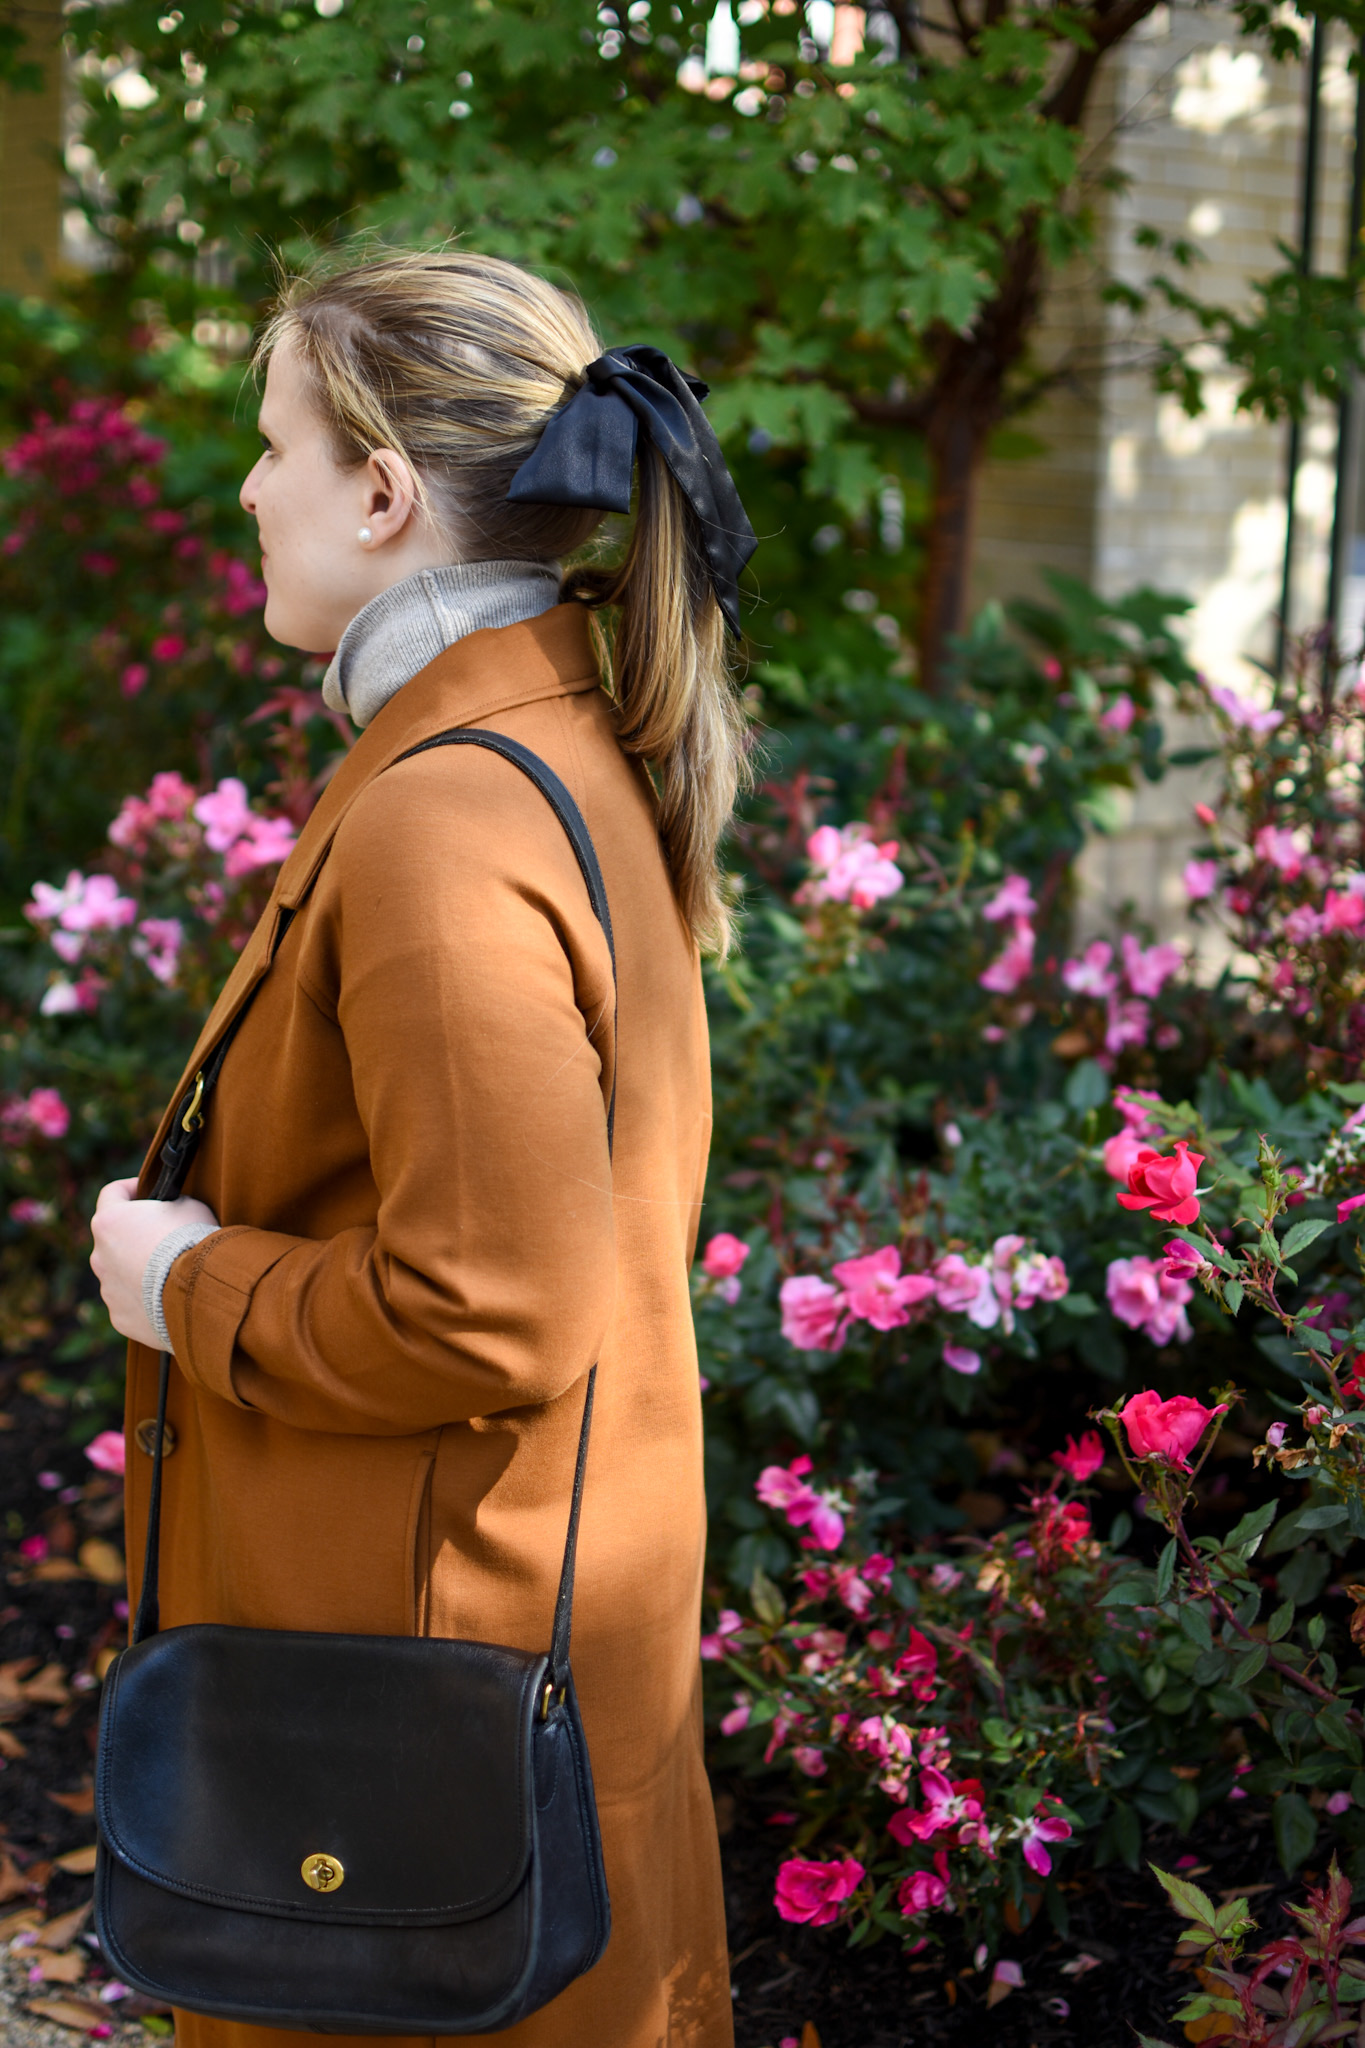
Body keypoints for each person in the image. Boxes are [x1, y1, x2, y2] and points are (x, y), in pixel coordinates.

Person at [88, 247, 754, 2048]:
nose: (245, 486)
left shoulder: (450, 811)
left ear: (380, 492)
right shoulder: (539, 737)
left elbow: (488, 1312)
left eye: (272, 443)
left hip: (413, 1720)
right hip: (473, 1661)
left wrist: (183, 1282)